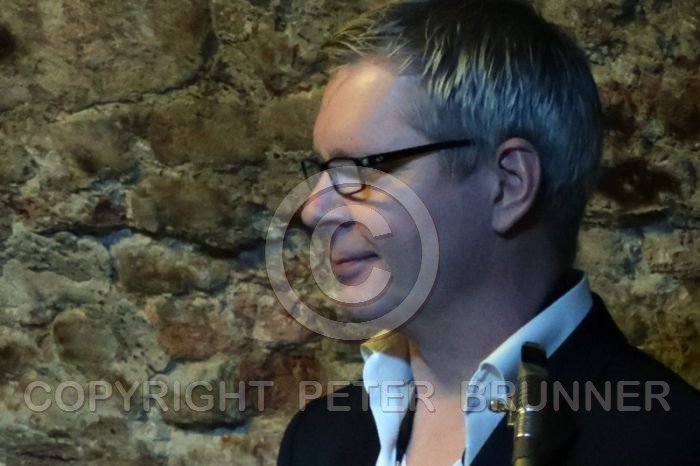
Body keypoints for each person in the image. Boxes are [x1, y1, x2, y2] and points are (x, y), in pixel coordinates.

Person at [276, 1, 700, 465]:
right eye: (323, 170)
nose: (312, 209)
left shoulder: (671, 445)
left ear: (509, 184)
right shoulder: (316, 439)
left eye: (359, 169)